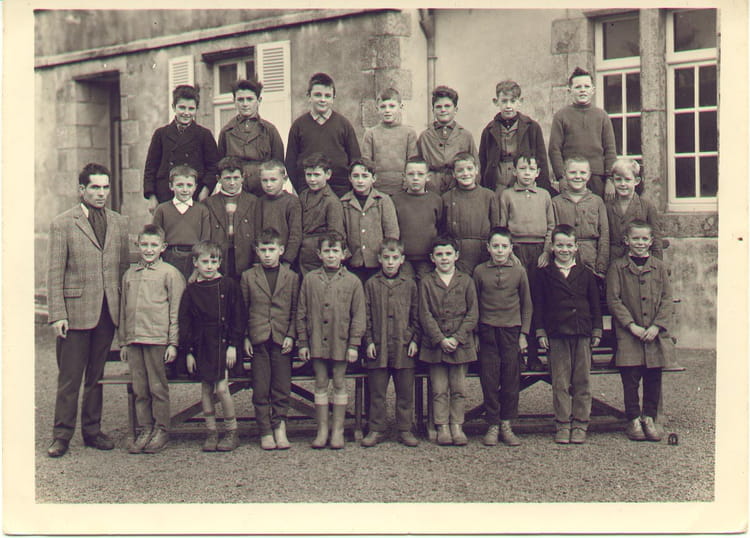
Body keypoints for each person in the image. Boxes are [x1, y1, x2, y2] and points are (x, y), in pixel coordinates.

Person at [46, 163, 130, 457]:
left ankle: (92, 431)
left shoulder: (119, 222)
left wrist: (122, 311)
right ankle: (61, 435)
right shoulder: (63, 223)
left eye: (105, 187)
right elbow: (54, 272)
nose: (101, 193)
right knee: (70, 378)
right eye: (95, 187)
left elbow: (122, 268)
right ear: (82, 189)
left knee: (97, 375)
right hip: (75, 313)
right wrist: (58, 314)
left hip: (107, 311)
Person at [118, 224, 186, 454]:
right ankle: (145, 428)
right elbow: (123, 310)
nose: (148, 249)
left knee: (157, 387)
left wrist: (173, 343)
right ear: (137, 245)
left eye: (154, 245)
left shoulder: (170, 273)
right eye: (144, 245)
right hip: (135, 339)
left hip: (157, 339)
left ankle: (161, 429)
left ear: (163, 247)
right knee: (140, 388)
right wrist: (124, 342)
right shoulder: (130, 275)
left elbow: (176, 311)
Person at [296, 231, 366, 449]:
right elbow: (301, 312)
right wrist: (303, 342)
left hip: (341, 341)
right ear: (319, 254)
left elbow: (359, 316)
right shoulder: (310, 279)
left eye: (335, 251)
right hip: (317, 340)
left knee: (339, 382)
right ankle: (322, 429)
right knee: (320, 382)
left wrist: (354, 344)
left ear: (344, 254)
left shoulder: (353, 282)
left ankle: (338, 430)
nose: (331, 255)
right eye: (327, 251)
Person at [533, 224, 603, 444]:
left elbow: (595, 304)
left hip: (582, 332)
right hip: (557, 334)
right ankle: (562, 424)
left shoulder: (586, 273)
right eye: (560, 245)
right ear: (552, 247)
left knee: (582, 381)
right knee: (560, 382)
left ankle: (580, 423)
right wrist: (541, 331)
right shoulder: (544, 274)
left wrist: (596, 330)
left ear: (576, 247)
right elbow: (538, 305)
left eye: (568, 245)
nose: (564, 249)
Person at [606, 220, 674, 442]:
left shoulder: (659, 267)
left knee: (653, 378)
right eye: (635, 238)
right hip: (629, 334)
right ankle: (633, 419)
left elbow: (667, 299)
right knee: (631, 379)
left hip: (654, 334)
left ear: (651, 241)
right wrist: (631, 326)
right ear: (627, 240)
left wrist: (656, 326)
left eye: (645, 239)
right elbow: (614, 300)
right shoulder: (617, 267)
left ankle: (649, 418)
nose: (640, 243)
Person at [179, 240, 247, 452]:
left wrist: (233, 345)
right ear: (195, 263)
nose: (209, 266)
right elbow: (185, 323)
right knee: (206, 388)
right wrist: (189, 352)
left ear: (219, 263)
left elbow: (238, 317)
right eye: (205, 262)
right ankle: (211, 431)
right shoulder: (191, 291)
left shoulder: (228, 286)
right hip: (202, 344)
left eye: (213, 261)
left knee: (222, 388)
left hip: (223, 343)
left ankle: (232, 431)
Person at [241, 228, 300, 450]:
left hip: (282, 339)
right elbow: (244, 309)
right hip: (258, 338)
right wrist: (246, 337)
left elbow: (295, 310)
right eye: (263, 250)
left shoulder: (291, 277)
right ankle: (265, 430)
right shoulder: (248, 276)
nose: (267, 254)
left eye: (272, 249)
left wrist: (291, 335)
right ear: (257, 251)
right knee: (261, 386)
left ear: (281, 250)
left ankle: (280, 427)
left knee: (282, 386)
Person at [473, 227, 532, 447]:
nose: (499, 250)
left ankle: (507, 424)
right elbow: (474, 304)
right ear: (488, 248)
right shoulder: (480, 271)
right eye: (495, 246)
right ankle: (492, 424)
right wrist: (476, 334)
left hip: (511, 331)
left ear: (511, 248)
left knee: (510, 379)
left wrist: (523, 334)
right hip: (487, 331)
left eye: (504, 246)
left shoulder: (519, 271)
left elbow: (527, 304)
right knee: (489, 378)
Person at [419, 235, 479, 446]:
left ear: (456, 256)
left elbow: (473, 313)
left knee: (459, 389)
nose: (444, 258)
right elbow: (425, 314)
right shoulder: (427, 282)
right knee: (439, 389)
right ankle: (442, 426)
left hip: (460, 345)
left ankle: (457, 426)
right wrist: (440, 339)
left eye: (448, 254)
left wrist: (457, 338)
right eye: (439, 254)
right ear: (432, 258)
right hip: (435, 346)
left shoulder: (466, 281)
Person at [361, 239, 420, 448]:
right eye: (386, 258)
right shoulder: (371, 284)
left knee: (405, 391)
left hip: (403, 346)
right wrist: (369, 341)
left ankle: (405, 429)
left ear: (402, 259)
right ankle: (376, 428)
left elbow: (417, 315)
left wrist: (414, 339)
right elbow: (365, 316)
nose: (390, 262)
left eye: (395, 258)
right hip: (379, 347)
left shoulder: (410, 284)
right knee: (377, 391)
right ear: (379, 259)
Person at [498, 152, 554, 370]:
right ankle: (517, 354)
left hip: (539, 252)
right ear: (514, 171)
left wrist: (546, 252)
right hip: (516, 251)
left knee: (537, 300)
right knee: (519, 301)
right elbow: (502, 228)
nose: (527, 173)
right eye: (522, 169)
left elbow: (551, 227)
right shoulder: (507, 195)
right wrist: (510, 255)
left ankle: (534, 355)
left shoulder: (544, 195)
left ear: (538, 172)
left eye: (531, 169)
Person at [143, 85, 219, 212]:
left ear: (196, 109)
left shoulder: (204, 135)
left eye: (191, 108)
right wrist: (151, 196)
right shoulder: (161, 134)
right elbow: (150, 168)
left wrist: (205, 191)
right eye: (182, 107)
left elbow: (213, 167)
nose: (186, 113)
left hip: (195, 195)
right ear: (174, 107)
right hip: (165, 195)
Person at [286, 72, 361, 197]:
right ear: (309, 96)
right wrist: (301, 189)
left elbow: (355, 159)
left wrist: (349, 189)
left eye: (327, 96)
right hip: (309, 190)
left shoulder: (344, 124)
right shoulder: (298, 126)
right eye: (317, 95)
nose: (322, 99)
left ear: (333, 98)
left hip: (340, 190)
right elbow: (290, 162)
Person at [548, 67, 617, 198]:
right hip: (571, 176)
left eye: (586, 86)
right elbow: (554, 149)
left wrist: (610, 179)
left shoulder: (602, 116)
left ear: (593, 90)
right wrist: (561, 177)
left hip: (597, 177)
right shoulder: (561, 116)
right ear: (570, 91)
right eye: (578, 87)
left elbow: (610, 150)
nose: (583, 90)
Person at [479, 80, 551, 193]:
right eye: (504, 101)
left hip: (523, 183)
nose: (508, 106)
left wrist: (543, 189)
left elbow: (541, 160)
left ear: (520, 102)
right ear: (496, 102)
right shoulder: (489, 130)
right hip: (498, 185)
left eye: (512, 101)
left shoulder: (532, 127)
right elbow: (483, 162)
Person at [217, 78, 285, 197]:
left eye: (249, 99)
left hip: (264, 192)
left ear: (259, 100)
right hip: (237, 193)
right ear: (234, 101)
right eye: (240, 99)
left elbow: (278, 164)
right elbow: (221, 164)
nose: (245, 104)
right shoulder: (226, 132)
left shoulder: (269, 130)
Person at [340, 157, 399, 283]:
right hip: (353, 263)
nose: (360, 180)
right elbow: (340, 233)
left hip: (378, 263)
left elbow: (392, 232)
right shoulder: (344, 202)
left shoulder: (383, 200)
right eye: (356, 176)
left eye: (365, 176)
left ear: (373, 178)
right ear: (350, 178)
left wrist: (386, 257)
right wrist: (347, 257)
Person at [551, 156, 610, 279]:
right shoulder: (556, 202)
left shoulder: (597, 201)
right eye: (573, 172)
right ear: (564, 174)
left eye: (583, 173)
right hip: (564, 260)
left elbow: (604, 236)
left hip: (591, 259)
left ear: (589, 175)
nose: (578, 176)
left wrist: (601, 267)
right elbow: (552, 233)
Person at [441, 152, 500, 275]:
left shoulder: (489, 196)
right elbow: (442, 230)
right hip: (457, 253)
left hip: (483, 252)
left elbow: (495, 227)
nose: (465, 173)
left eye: (469, 169)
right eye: (460, 170)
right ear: (453, 174)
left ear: (476, 170)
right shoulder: (447, 198)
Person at [152, 165, 211, 281]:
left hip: (194, 259)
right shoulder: (162, 209)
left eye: (189, 185)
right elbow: (156, 238)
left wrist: (197, 270)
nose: (185, 189)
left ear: (195, 187)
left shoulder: (202, 210)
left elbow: (205, 242)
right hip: (169, 257)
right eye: (180, 185)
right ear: (171, 186)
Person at [203, 156, 258, 279]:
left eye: (236, 178)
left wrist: (257, 260)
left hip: (245, 256)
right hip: (219, 257)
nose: (232, 183)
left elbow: (258, 232)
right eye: (227, 178)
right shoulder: (208, 203)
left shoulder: (253, 201)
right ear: (218, 179)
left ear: (243, 177)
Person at [417, 85, 478, 194]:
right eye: (438, 107)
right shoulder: (425, 136)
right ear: (433, 110)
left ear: (455, 109)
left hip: (458, 187)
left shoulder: (465, 135)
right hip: (431, 188)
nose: (443, 110)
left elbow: (476, 165)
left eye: (447, 106)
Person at [391, 157, 443, 281]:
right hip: (403, 258)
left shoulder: (436, 200)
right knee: (405, 286)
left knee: (426, 285)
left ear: (428, 176)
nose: (415, 178)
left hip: (428, 259)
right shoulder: (395, 200)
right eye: (411, 174)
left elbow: (441, 227)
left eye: (420, 174)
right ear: (404, 176)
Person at [361, 87, 419, 196]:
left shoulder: (409, 133)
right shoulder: (371, 134)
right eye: (383, 107)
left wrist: (406, 186)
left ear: (400, 107)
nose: (387, 110)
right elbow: (366, 163)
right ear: (377, 109)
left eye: (392, 106)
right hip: (377, 189)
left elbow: (412, 162)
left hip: (403, 190)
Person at [606, 158, 663, 262]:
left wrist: (656, 266)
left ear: (636, 181)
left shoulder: (647, 206)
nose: (623, 184)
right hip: (613, 261)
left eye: (627, 179)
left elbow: (656, 240)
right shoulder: (607, 206)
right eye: (618, 179)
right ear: (612, 181)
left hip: (639, 260)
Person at [297, 152, 345, 275]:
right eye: (309, 175)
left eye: (317, 175)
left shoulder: (331, 201)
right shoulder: (303, 196)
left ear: (328, 174)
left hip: (318, 257)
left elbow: (335, 234)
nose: (312, 179)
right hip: (301, 254)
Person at [255, 160, 302, 266]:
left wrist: (288, 260)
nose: (268, 184)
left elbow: (295, 235)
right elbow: (257, 232)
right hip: (264, 258)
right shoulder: (260, 202)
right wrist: (258, 259)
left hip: (285, 261)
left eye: (273, 180)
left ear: (284, 179)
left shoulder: (292, 202)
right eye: (264, 180)